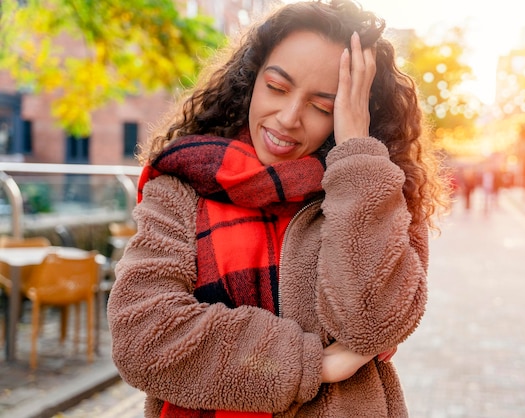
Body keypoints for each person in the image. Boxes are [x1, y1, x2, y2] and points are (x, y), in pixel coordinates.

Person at [107, 0, 449, 416]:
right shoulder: (182, 185)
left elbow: (370, 321)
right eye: (277, 87)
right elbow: (143, 337)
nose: (288, 118)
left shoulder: (375, 189)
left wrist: (357, 152)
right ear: (251, 81)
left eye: (323, 107)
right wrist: (312, 364)